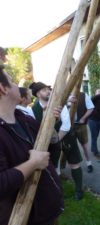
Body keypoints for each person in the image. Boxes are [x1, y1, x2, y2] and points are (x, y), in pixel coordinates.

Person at [0, 68, 64, 225]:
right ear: (3, 88)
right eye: (12, 81)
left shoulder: (24, 119)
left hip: (47, 209)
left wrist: (51, 126)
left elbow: (51, 151)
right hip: (25, 218)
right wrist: (32, 163)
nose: (18, 86)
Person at [29, 81, 84, 200]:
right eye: (44, 90)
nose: (48, 91)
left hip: (65, 136)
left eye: (48, 89)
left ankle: (79, 190)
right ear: (38, 94)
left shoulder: (59, 103)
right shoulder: (33, 110)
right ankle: (58, 192)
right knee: (53, 167)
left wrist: (57, 139)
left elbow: (66, 124)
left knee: (74, 162)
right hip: (47, 142)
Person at [68, 92, 95, 173]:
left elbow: (91, 108)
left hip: (80, 125)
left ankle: (89, 163)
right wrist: (67, 101)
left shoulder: (83, 95)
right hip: (68, 126)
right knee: (69, 147)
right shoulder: (64, 95)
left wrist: (83, 118)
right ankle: (73, 166)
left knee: (85, 146)